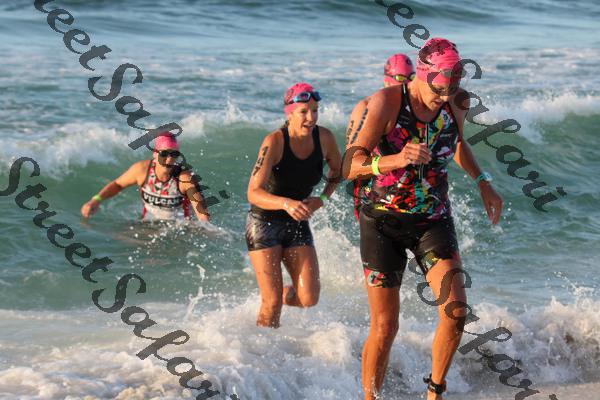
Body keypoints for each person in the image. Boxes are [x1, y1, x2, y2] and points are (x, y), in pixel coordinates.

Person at [343, 38, 503, 400]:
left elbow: (457, 142)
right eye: (439, 90)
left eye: (452, 89)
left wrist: (483, 182)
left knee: (456, 312)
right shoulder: (386, 102)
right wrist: (396, 159)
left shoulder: (456, 101)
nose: (444, 98)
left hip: (432, 217)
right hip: (382, 221)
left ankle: (435, 392)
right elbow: (350, 165)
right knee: (385, 326)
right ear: (422, 75)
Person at [246, 82, 342, 328]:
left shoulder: (325, 138)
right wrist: (286, 203)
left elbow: (338, 171)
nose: (311, 117)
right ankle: (262, 347)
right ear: (289, 113)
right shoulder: (275, 141)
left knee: (309, 298)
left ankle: (278, 294)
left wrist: (322, 199)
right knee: (271, 304)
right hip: (264, 223)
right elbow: (253, 193)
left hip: (296, 223)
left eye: (315, 110)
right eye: (304, 112)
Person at [81, 133, 210, 221]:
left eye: (174, 154)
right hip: (148, 224)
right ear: (155, 153)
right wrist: (96, 200)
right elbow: (118, 184)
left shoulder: (185, 179)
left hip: (179, 228)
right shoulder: (142, 170)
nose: (169, 159)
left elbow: (203, 215)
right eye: (164, 154)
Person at [347, 53, 415, 217]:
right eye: (400, 78)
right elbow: (351, 162)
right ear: (386, 80)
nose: (406, 83)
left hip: (406, 187)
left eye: (411, 77)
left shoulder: (413, 109)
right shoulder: (367, 107)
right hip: (373, 187)